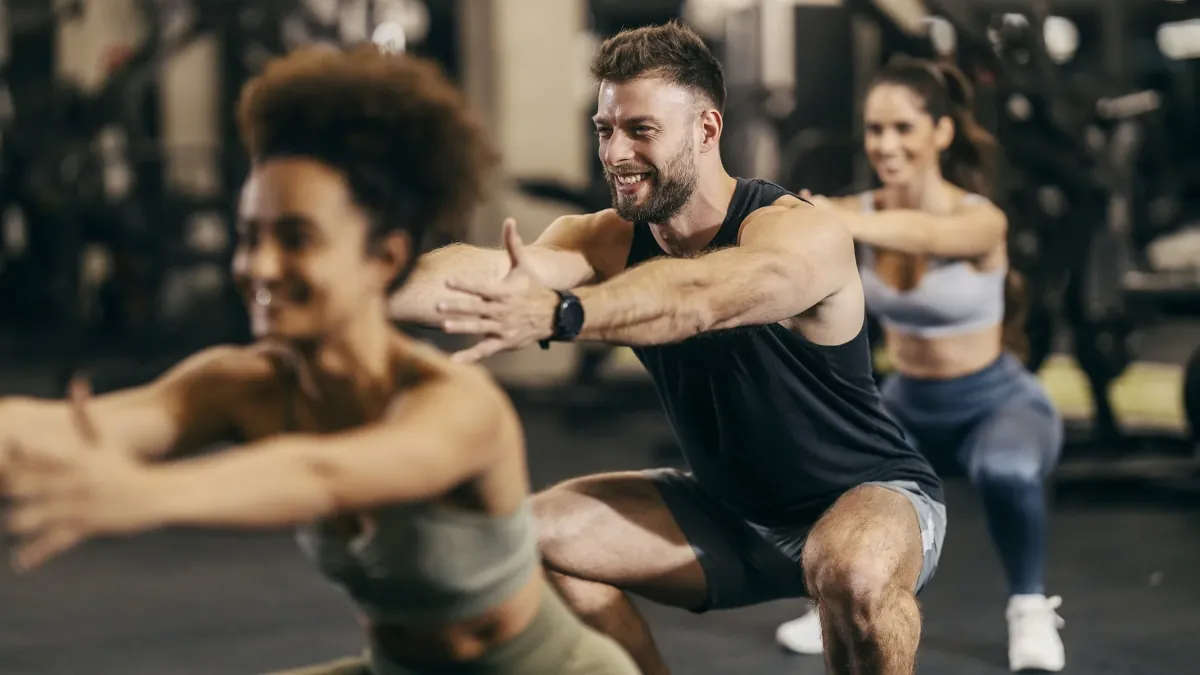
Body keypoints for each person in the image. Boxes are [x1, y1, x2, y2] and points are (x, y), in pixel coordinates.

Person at [0, 46, 639, 675]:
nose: (259, 266)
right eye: (250, 236)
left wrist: (143, 493)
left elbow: (323, 473)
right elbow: (82, 427)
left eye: (296, 239)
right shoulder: (239, 385)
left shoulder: (456, 405)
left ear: (385, 258)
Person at [388, 21, 946, 675]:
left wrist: (569, 313)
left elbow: (703, 297)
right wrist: (346, 286)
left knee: (850, 568)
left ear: (707, 130)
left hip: (867, 496)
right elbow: (478, 277)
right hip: (725, 512)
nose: (615, 153)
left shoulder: (799, 232)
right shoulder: (600, 239)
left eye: (640, 130)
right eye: (604, 129)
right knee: (523, 539)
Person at [773, 57, 1066, 673]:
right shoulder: (854, 212)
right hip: (908, 400)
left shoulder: (979, 218)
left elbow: (928, 237)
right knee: (845, 486)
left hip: (997, 400)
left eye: (903, 128)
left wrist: (833, 218)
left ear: (942, 132)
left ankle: (1030, 607)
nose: (885, 145)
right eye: (875, 130)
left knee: (1008, 471)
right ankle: (834, 600)